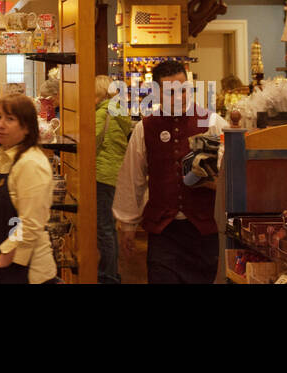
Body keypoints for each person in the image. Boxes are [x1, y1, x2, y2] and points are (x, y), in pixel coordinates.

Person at [113, 59, 227, 284]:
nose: (179, 97)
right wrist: (127, 224)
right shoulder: (144, 128)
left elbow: (229, 176)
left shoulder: (212, 123)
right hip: (163, 231)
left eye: (183, 89)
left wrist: (214, 176)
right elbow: (132, 178)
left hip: (203, 230)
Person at [0, 93, 55, 284]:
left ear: (26, 127)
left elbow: (31, 223)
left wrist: (2, 261)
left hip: (21, 272)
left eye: (10, 119)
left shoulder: (31, 163)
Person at [94, 74, 132, 284]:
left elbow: (92, 141)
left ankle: (106, 276)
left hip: (101, 174)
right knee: (110, 228)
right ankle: (112, 273)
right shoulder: (119, 112)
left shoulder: (101, 113)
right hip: (116, 175)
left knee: (104, 229)